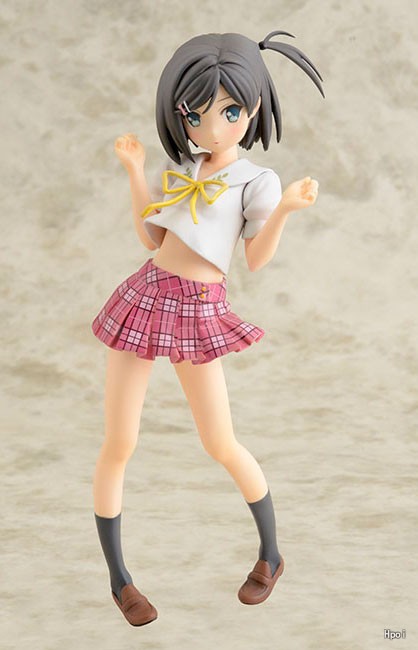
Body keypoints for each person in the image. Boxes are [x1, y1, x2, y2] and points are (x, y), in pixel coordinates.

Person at [91, 30, 324, 627]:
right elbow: (152, 237)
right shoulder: (184, 167)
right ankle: (120, 579)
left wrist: (286, 211)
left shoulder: (256, 181)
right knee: (119, 442)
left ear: (252, 107)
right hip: (146, 296)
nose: (211, 128)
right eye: (195, 115)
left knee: (220, 442)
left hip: (198, 307)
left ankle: (272, 555)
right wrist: (135, 171)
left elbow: (255, 259)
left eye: (228, 112)